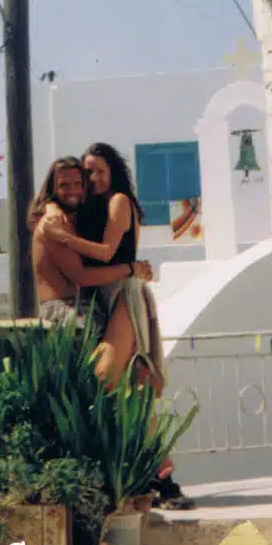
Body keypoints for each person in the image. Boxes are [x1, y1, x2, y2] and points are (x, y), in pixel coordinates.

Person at [39, 142, 193, 510]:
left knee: (105, 379)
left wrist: (64, 237)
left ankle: (157, 479)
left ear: (114, 172)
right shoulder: (92, 208)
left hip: (123, 295)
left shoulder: (119, 201)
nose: (92, 178)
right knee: (132, 388)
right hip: (108, 296)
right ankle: (161, 480)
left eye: (99, 171)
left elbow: (107, 252)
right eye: (88, 172)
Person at [30, 156, 151, 339]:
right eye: (64, 185)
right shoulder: (55, 221)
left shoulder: (68, 218)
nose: (73, 191)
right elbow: (81, 276)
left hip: (77, 306)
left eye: (78, 184)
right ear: (52, 190)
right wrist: (130, 269)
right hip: (64, 311)